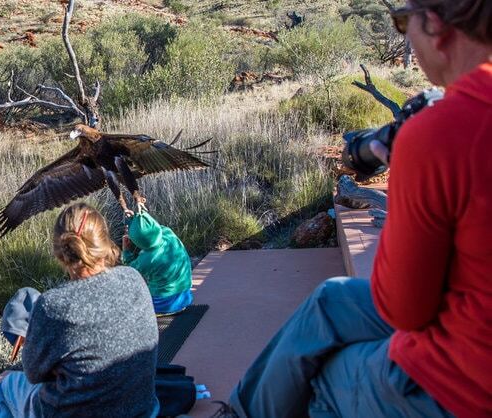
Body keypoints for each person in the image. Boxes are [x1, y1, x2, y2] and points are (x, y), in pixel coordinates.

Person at [226, 1, 492, 417]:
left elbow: (403, 308)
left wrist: (410, 167)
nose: (405, 35)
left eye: (403, 22)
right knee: (334, 298)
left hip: (464, 384)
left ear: (436, 27)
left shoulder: (443, 134)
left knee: (326, 378)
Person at [0, 202, 159, 418]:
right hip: (143, 411)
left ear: (59, 252)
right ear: (104, 242)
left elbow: (33, 374)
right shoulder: (133, 278)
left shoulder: (51, 306)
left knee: (6, 387)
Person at [122, 210, 193, 315]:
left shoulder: (147, 259)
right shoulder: (168, 232)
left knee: (128, 304)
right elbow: (150, 228)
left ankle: (162, 312)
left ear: (137, 241)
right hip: (185, 297)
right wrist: (135, 220)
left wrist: (126, 250)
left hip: (163, 304)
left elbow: (129, 271)